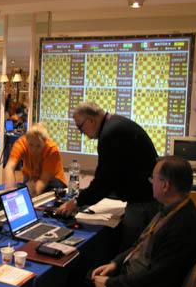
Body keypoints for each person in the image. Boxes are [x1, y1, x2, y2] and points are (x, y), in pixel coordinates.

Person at [67, 156, 196, 287]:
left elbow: (153, 281)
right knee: (75, 277)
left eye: (153, 179)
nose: (150, 182)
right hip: (136, 283)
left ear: (165, 185)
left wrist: (109, 284)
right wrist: (116, 263)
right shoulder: (173, 209)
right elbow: (141, 244)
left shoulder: (183, 227)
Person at [57, 101, 158, 250]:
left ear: (91, 120)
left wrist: (76, 203)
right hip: (147, 199)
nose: (80, 132)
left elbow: (104, 181)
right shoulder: (115, 124)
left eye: (80, 127)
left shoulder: (110, 134)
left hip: (142, 204)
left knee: (130, 252)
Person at [5, 123, 67, 196]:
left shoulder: (52, 149)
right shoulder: (21, 143)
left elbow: (43, 180)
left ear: (45, 142)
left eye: (38, 146)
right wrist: (10, 192)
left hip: (53, 181)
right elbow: (9, 167)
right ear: (27, 140)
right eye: (31, 145)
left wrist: (32, 195)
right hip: (31, 176)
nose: (34, 149)